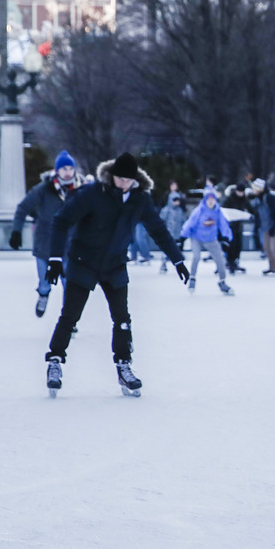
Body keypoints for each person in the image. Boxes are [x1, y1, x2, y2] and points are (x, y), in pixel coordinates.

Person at [42, 152, 190, 398]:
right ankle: (55, 361)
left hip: (114, 265)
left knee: (122, 319)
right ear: (111, 176)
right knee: (70, 316)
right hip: (83, 262)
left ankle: (123, 365)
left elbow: (158, 230)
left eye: (128, 180)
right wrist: (56, 259)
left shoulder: (140, 200)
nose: (123, 183)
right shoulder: (92, 194)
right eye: (119, 178)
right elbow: (61, 221)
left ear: (135, 179)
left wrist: (177, 260)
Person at [9, 150, 82, 318]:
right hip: (45, 245)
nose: (67, 172)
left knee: (69, 285)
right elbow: (23, 208)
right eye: (63, 169)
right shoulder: (43, 189)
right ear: (56, 170)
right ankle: (43, 294)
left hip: (70, 246)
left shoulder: (81, 189)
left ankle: (68, 319)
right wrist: (16, 232)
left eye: (70, 168)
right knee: (44, 282)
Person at [180, 186, 235, 296]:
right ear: (205, 200)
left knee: (220, 259)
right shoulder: (199, 211)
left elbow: (224, 225)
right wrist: (183, 237)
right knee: (196, 257)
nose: (210, 201)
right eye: (208, 199)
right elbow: (190, 223)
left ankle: (222, 281)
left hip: (211, 239)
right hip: (197, 238)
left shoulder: (217, 211)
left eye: (212, 199)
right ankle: (192, 278)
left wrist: (226, 238)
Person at [250, 178, 275, 275]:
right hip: (265, 227)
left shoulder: (269, 198)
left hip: (273, 226)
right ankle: (272, 267)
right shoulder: (258, 199)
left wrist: (274, 226)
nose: (253, 190)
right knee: (266, 247)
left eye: (255, 188)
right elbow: (257, 214)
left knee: (274, 247)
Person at [221, 180, 254, 274]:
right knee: (231, 245)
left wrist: (253, 214)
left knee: (238, 245)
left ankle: (236, 261)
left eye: (242, 192)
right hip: (229, 227)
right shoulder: (229, 199)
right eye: (239, 192)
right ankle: (230, 262)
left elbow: (250, 208)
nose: (240, 194)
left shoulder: (244, 199)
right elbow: (223, 210)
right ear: (236, 191)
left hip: (238, 226)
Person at [158, 193, 187, 274]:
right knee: (165, 251)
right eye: (175, 200)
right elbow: (161, 220)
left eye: (178, 201)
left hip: (177, 235)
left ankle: (179, 265)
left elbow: (183, 221)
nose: (177, 202)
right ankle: (163, 265)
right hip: (168, 234)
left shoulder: (180, 211)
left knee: (177, 250)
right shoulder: (166, 210)